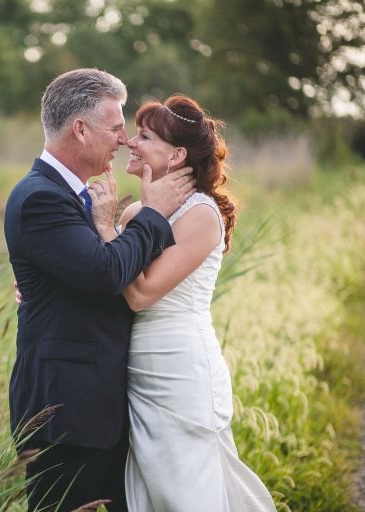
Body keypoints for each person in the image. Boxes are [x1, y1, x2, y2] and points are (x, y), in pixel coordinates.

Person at [3, 68, 195, 511]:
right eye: (115, 128)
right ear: (81, 129)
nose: (124, 139)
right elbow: (108, 273)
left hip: (99, 406)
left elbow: (87, 270)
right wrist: (154, 214)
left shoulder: (70, 195)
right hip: (67, 410)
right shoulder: (41, 198)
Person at [87, 94, 276, 511]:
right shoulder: (135, 212)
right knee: (151, 489)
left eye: (144, 136)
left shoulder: (201, 215)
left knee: (186, 487)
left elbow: (139, 293)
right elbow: (109, 277)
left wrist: (104, 228)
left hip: (179, 370)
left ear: (175, 156)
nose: (131, 143)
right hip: (136, 369)